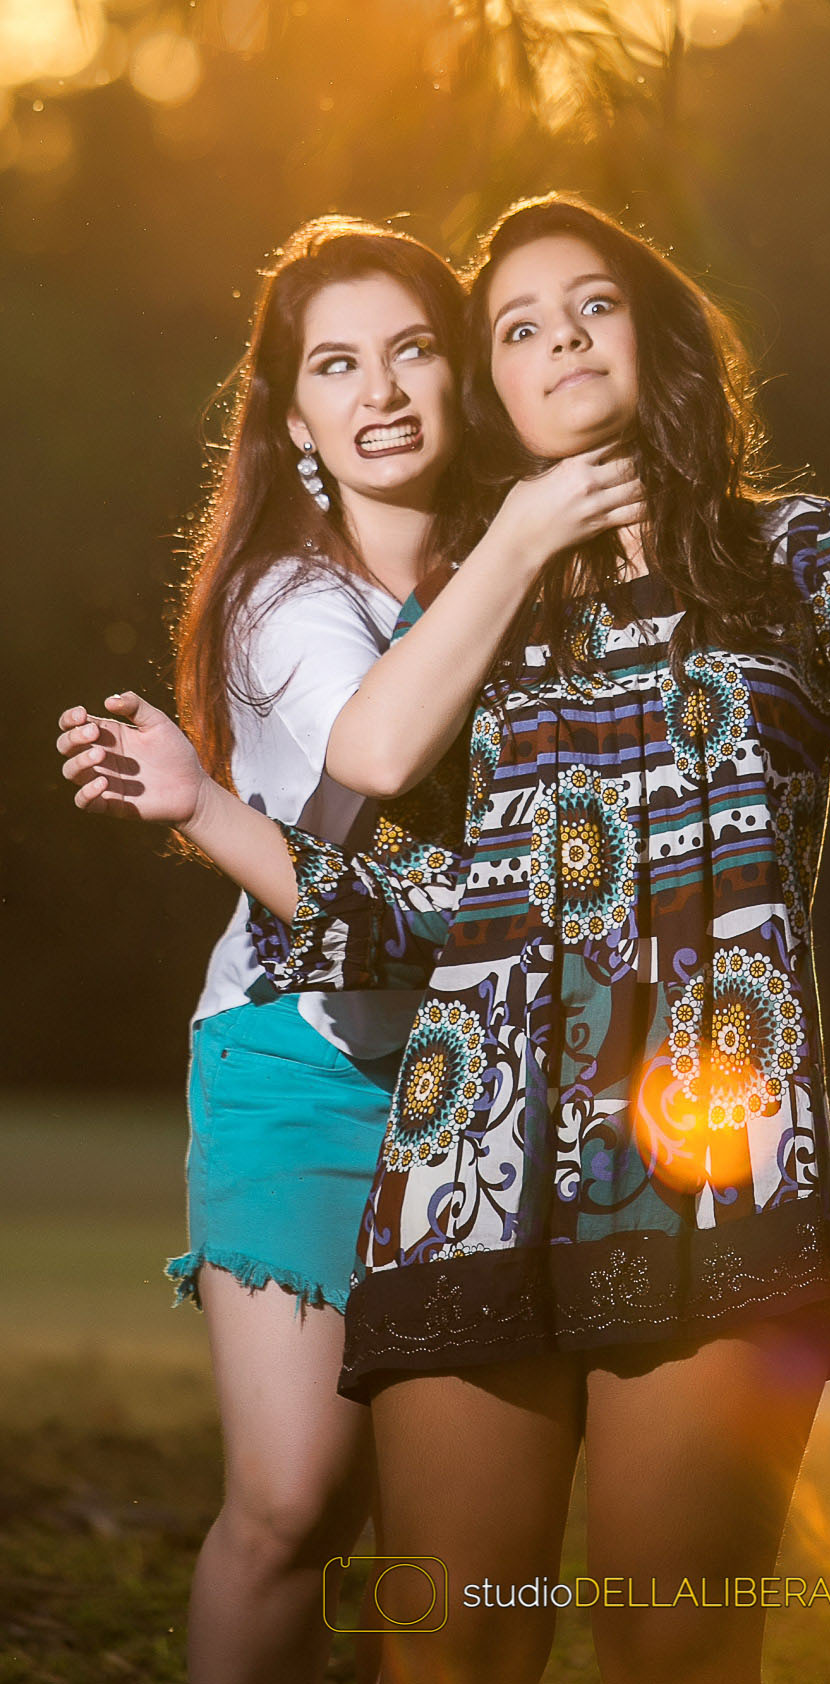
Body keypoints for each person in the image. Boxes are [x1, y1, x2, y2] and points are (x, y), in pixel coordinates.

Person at [58, 195, 830, 1684]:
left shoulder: (790, 550)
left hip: (709, 1170)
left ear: (654, 334)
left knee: (671, 1646)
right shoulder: (481, 603)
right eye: (518, 326)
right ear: (495, 386)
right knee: (454, 1647)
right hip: (464, 1175)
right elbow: (427, 893)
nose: (558, 339)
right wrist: (212, 812)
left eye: (590, 305)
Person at [59, 208, 643, 1684]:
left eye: (410, 353)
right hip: (301, 1063)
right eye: (335, 366)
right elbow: (377, 790)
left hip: (484, 1082)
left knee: (433, 1515)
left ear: (460, 376)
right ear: (295, 414)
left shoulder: (523, 567)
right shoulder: (285, 607)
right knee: (292, 1493)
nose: (378, 392)